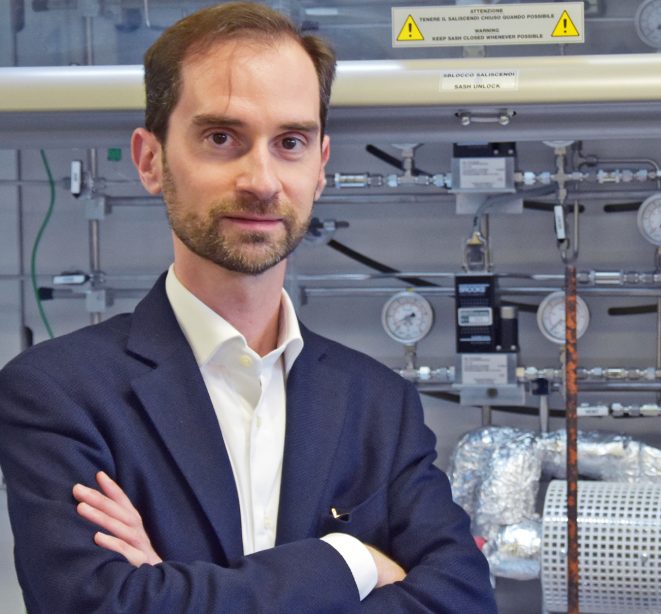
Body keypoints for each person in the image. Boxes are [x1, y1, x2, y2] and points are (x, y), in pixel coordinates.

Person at [0, 3, 496, 612]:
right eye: (221, 137)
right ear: (150, 160)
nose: (261, 180)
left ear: (320, 168)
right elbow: (98, 605)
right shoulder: (60, 393)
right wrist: (354, 561)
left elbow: (464, 598)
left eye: (290, 142)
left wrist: (169, 589)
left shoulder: (377, 404)